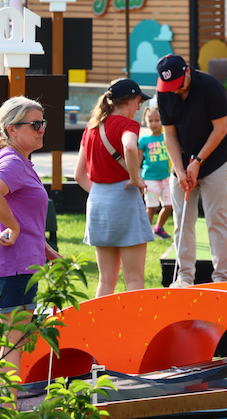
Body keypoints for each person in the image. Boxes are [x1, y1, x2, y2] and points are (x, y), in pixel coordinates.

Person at [0, 96, 61, 402]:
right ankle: (6, 408)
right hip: (13, 266)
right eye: (35, 124)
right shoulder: (13, 161)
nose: (41, 129)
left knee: (2, 344)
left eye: (43, 123)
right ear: (12, 129)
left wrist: (45, 248)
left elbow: (24, 215)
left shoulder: (15, 159)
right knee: (13, 345)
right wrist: (12, 227)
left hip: (4, 263)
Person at [156, 53, 227, 287]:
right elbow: (169, 134)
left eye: (178, 85)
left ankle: (220, 278)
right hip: (182, 162)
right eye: (169, 86)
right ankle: (184, 277)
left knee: (215, 220)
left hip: (215, 162)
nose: (174, 90)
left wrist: (198, 161)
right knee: (182, 222)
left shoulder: (210, 86)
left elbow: (220, 129)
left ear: (187, 72)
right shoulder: (164, 92)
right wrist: (179, 169)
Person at [74, 78, 153, 298]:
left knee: (106, 280)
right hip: (124, 199)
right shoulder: (128, 125)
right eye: (138, 101)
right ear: (128, 100)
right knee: (134, 278)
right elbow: (129, 145)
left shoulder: (91, 127)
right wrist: (136, 178)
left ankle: (100, 328)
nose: (139, 108)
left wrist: (104, 193)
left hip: (98, 202)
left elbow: (79, 176)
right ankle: (138, 329)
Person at [139, 105, 172, 239]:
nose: (154, 123)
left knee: (169, 206)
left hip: (166, 178)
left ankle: (158, 228)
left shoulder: (168, 137)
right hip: (150, 179)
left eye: (157, 120)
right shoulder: (143, 140)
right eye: (151, 120)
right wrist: (137, 176)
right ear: (145, 122)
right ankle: (145, 232)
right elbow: (138, 159)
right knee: (151, 207)